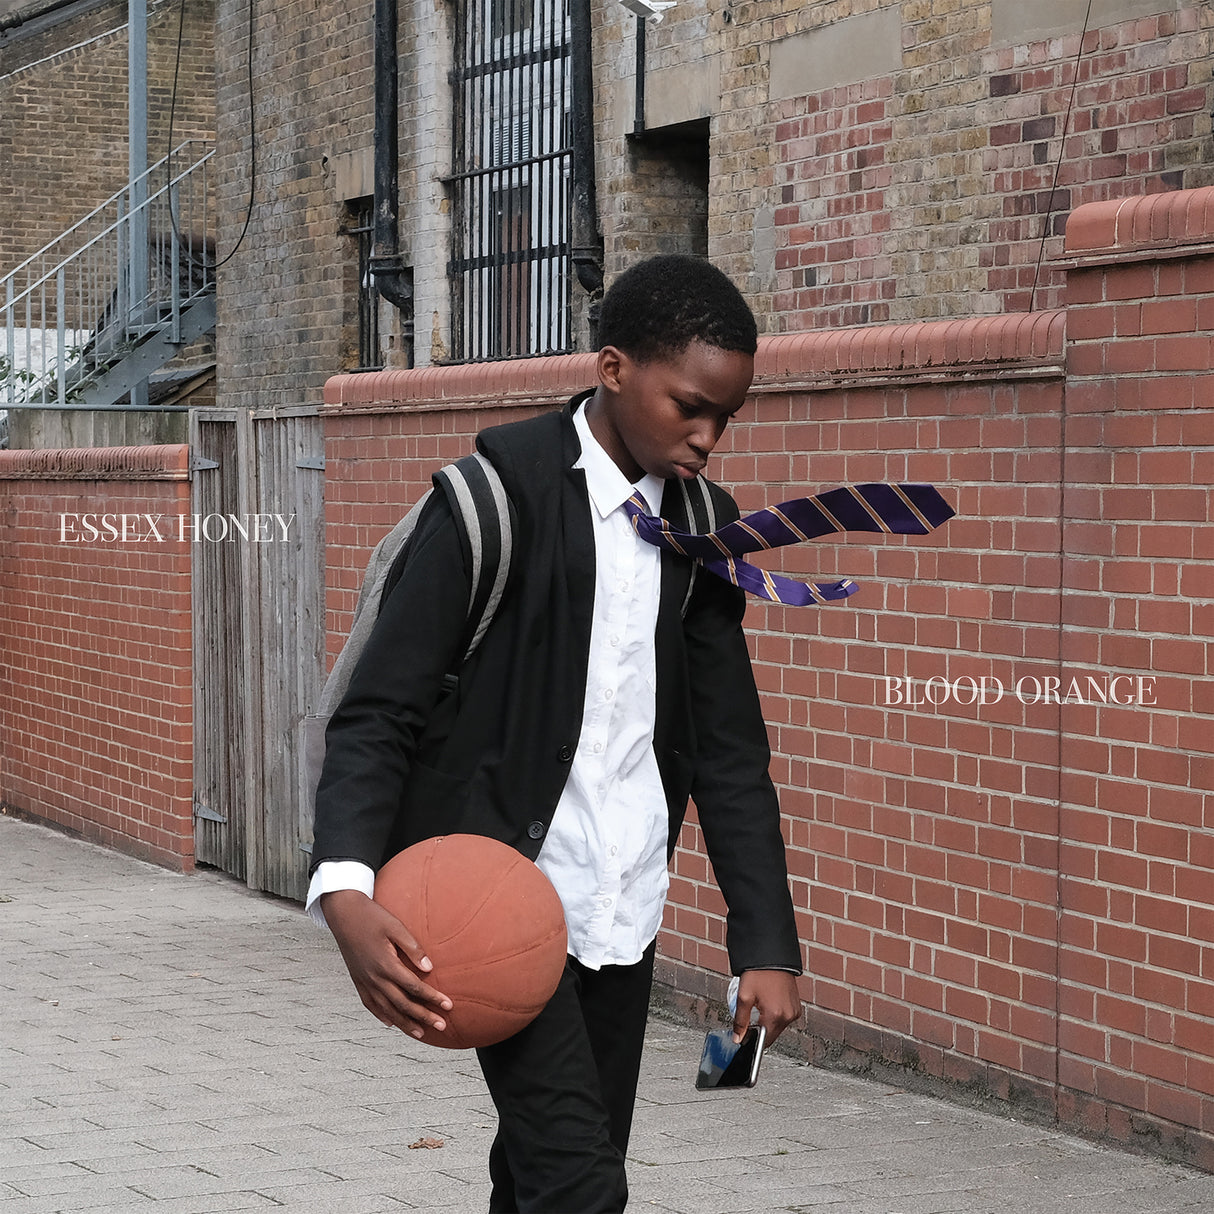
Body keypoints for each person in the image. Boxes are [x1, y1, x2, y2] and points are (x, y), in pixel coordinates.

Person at [308, 253, 804, 1213]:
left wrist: (766, 944)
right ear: (613, 369)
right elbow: (382, 710)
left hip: (625, 908)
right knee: (581, 1186)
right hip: (494, 902)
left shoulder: (706, 530)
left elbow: (729, 749)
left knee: (547, 1174)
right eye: (690, 407)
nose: (707, 436)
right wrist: (345, 887)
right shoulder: (493, 503)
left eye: (726, 417)